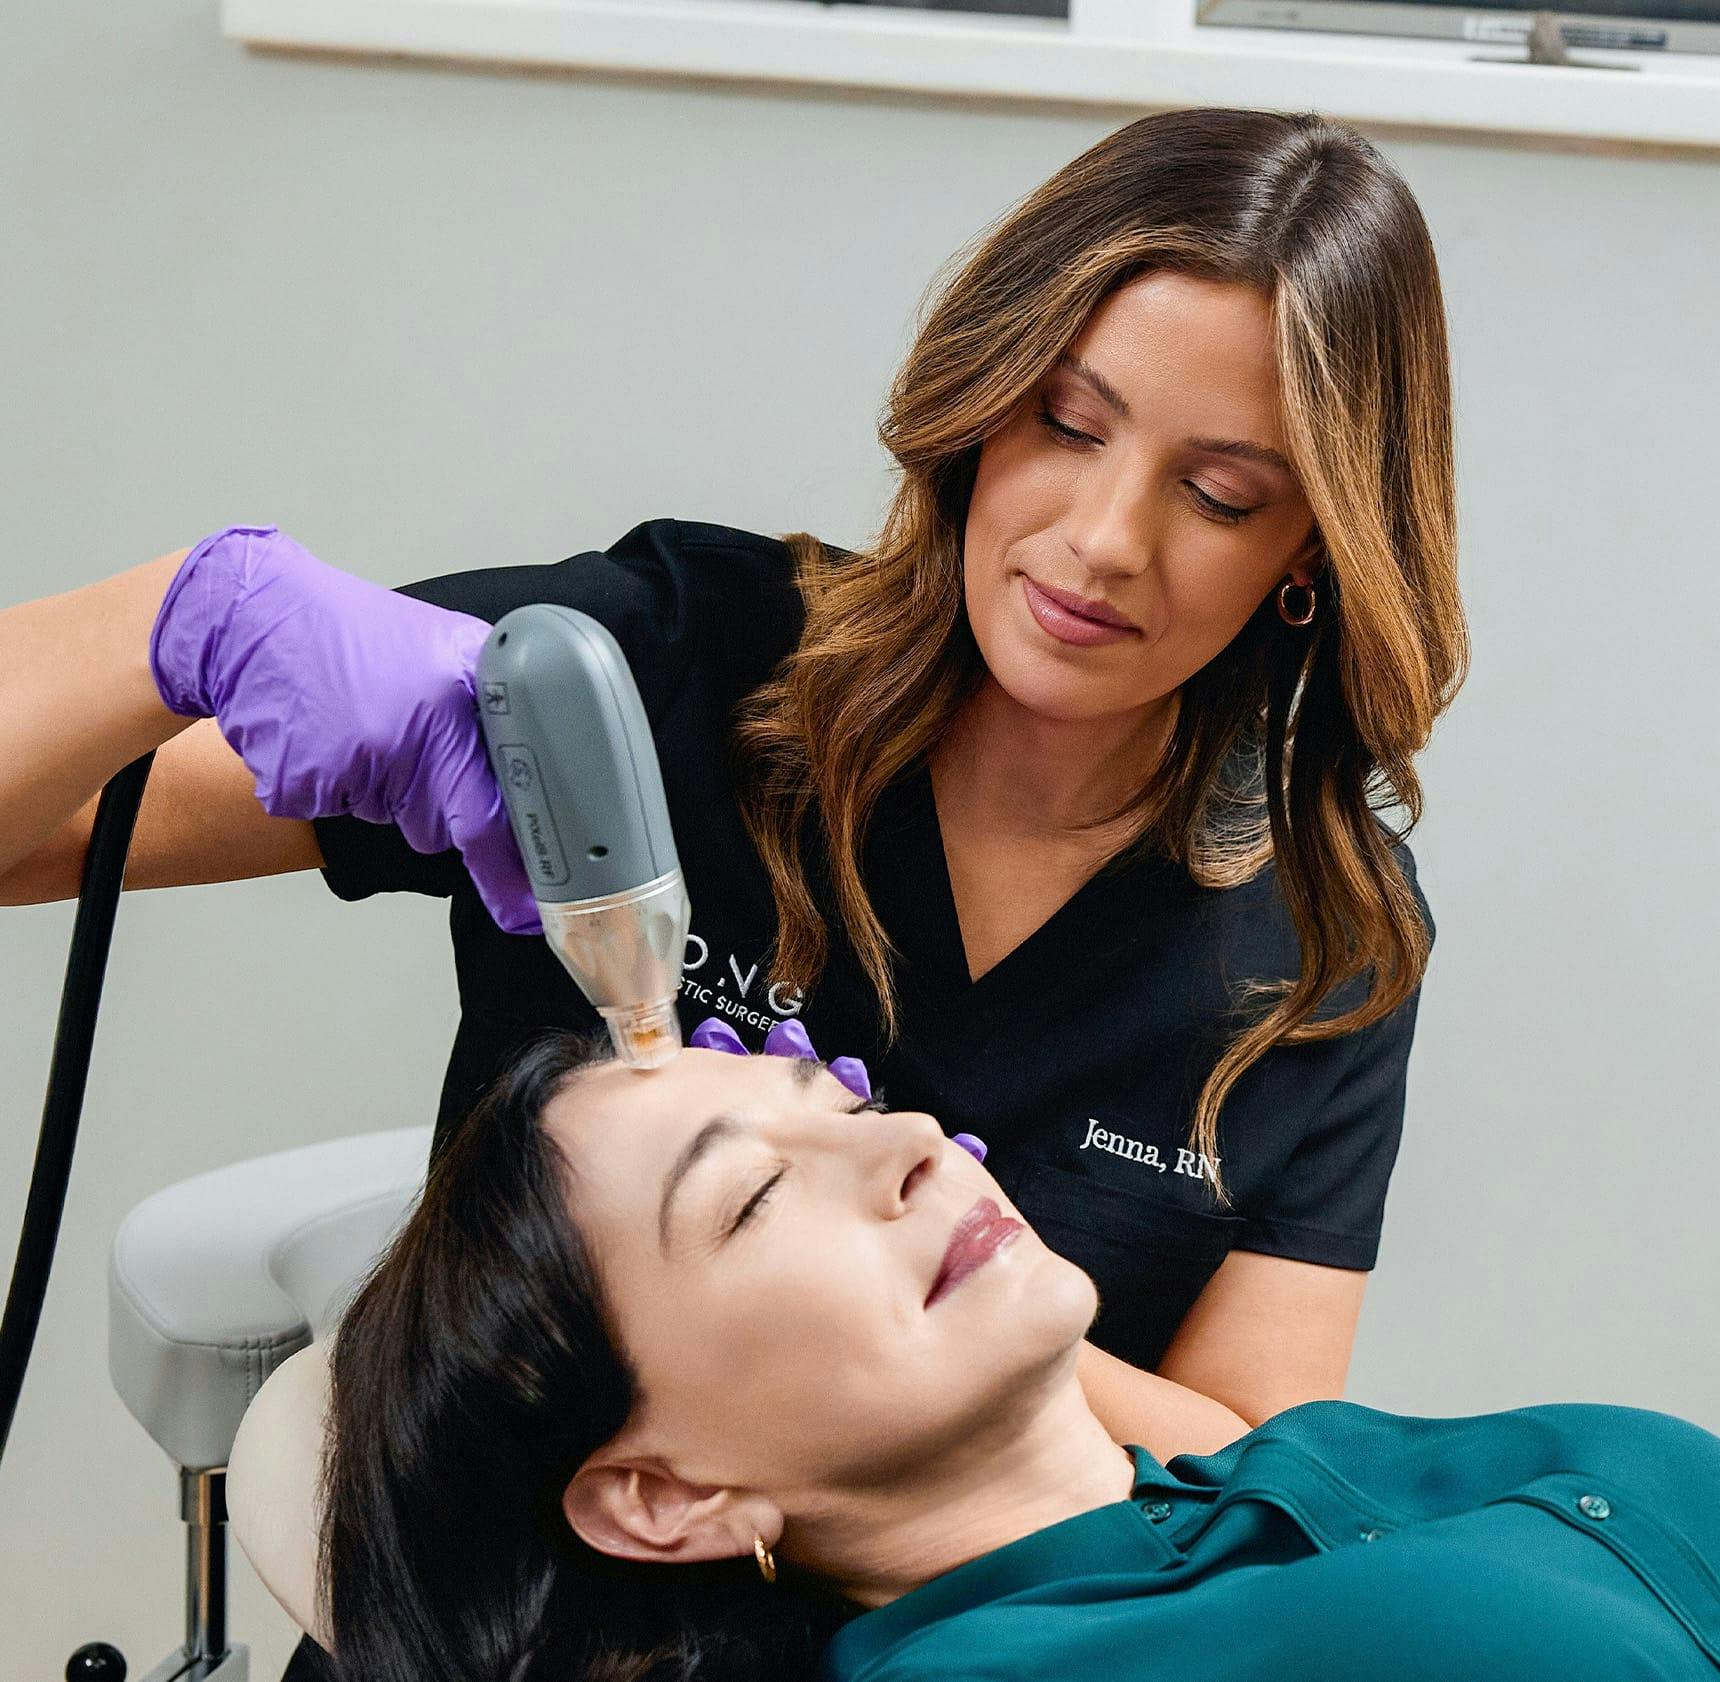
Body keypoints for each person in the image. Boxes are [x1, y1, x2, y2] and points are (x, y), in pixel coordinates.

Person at [0, 106, 1466, 1675]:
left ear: (1313, 548)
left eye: (1223, 494)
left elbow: (1251, 1466)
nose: (1104, 541)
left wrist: (928, 1274)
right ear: (979, 402)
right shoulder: (681, 669)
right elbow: (33, 836)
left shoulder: (1321, 940)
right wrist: (190, 619)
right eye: (1064, 421)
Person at [232, 1028, 1719, 1682]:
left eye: (838, 1100)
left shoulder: (1272, 1473)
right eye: (752, 1195)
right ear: (666, 1492)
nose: (901, 1145)